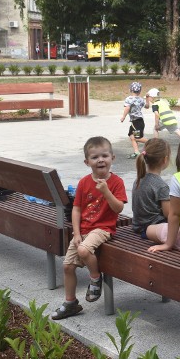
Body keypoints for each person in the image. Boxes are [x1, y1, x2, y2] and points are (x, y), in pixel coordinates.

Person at [51, 136, 127, 320]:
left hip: (103, 228)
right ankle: (70, 303)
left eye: (105, 155)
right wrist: (76, 233)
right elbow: (76, 209)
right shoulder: (84, 182)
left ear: (112, 158)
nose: (100, 160)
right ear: (87, 162)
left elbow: (119, 208)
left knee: (84, 250)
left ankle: (95, 278)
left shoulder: (116, 182)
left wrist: (106, 192)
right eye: (95, 157)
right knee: (68, 266)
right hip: (83, 229)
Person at [131, 138, 171, 241]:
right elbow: (168, 214)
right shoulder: (161, 186)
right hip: (153, 227)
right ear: (165, 160)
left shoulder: (138, 179)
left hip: (137, 226)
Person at [121, 81, 149, 159]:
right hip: (139, 121)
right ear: (140, 91)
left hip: (136, 122)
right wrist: (146, 99)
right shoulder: (140, 99)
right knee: (132, 136)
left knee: (137, 137)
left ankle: (152, 143)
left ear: (130, 90)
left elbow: (127, 108)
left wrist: (123, 117)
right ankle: (136, 152)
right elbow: (147, 106)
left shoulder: (129, 99)